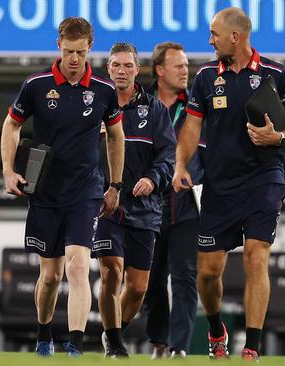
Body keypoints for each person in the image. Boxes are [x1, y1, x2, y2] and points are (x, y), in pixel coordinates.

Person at [172, 7, 285, 361]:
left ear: (235, 36)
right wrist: (181, 164)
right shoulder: (204, 77)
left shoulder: (276, 74)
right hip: (218, 186)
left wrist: (275, 137)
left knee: (256, 257)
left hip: (264, 181)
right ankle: (217, 330)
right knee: (207, 272)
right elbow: (191, 128)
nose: (209, 40)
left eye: (214, 33)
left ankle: (251, 347)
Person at [1, 17, 125, 357]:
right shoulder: (37, 85)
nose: (74, 59)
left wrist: (115, 183)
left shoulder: (103, 91)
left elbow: (116, 135)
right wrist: (9, 171)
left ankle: (75, 344)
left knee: (78, 265)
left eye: (80, 52)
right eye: (69, 51)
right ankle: (43, 334)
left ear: (90, 48)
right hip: (45, 192)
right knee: (52, 275)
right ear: (59, 46)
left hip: (86, 191)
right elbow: (11, 124)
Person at [93, 43, 176, 358]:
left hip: (145, 209)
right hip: (106, 205)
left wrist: (152, 179)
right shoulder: (96, 106)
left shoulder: (155, 110)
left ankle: (111, 332)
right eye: (116, 65)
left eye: (128, 65)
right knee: (111, 270)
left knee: (139, 287)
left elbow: (168, 157)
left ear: (137, 69)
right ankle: (115, 344)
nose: (122, 71)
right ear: (109, 69)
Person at [142, 42, 204, 359]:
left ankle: (180, 346)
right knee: (151, 280)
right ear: (159, 70)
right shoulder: (141, 103)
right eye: (178, 65)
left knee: (184, 277)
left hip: (187, 206)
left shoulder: (198, 105)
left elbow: (210, 150)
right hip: (148, 205)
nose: (185, 70)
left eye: (186, 64)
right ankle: (158, 341)